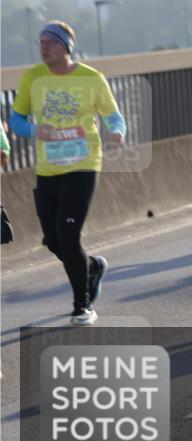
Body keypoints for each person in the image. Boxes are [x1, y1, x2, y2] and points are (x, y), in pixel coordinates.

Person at [9, 20, 124, 325]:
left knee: (69, 236)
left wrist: (117, 132)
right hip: (48, 168)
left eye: (50, 42)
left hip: (83, 165)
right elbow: (16, 120)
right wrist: (35, 130)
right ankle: (91, 267)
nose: (43, 48)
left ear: (66, 47)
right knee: (53, 240)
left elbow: (114, 116)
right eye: (41, 43)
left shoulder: (91, 78)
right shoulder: (33, 78)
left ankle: (82, 306)